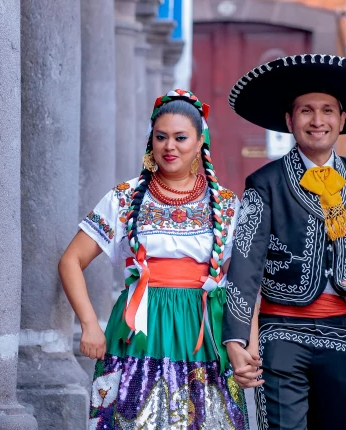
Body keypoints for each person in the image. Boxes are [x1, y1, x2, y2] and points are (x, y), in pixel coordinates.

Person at [221, 54, 346, 430]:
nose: (317, 121)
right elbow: (245, 267)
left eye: (328, 110)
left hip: (342, 337)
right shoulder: (264, 183)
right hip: (280, 333)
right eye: (306, 111)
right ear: (289, 120)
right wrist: (236, 339)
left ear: (342, 120)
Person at [59, 90, 254, 429]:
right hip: (140, 328)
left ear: (199, 143)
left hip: (203, 325)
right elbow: (70, 261)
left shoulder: (225, 204)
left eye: (181, 138)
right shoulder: (124, 197)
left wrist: (247, 341)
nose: (169, 146)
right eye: (161, 137)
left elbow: (245, 282)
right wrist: (90, 324)